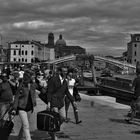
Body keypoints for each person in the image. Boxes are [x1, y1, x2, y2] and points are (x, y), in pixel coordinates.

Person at [47, 67, 77, 140]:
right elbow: (49, 91)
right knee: (55, 119)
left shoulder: (65, 81)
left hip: (61, 102)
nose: (65, 72)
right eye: (63, 71)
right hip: (54, 102)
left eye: (66, 71)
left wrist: (73, 100)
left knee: (63, 118)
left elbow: (67, 92)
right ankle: (53, 136)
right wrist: (48, 102)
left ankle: (52, 130)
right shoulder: (53, 79)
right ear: (60, 72)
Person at [12, 69, 43, 140]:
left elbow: (42, 90)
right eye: (32, 76)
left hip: (30, 108)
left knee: (25, 125)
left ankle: (19, 137)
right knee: (26, 125)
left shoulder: (33, 84)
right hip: (21, 107)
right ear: (28, 77)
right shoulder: (21, 85)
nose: (33, 77)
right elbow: (16, 97)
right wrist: (14, 108)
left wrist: (39, 83)